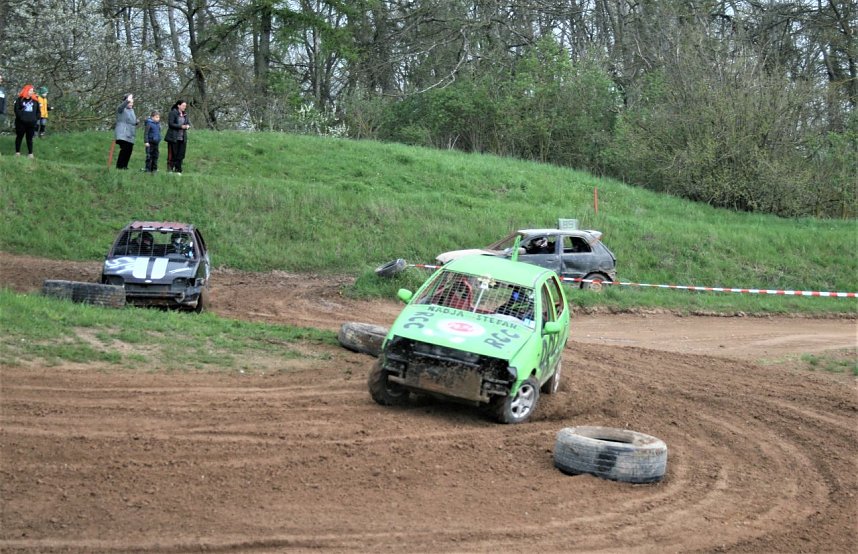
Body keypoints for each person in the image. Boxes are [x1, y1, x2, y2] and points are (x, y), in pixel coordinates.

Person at [14, 85, 41, 158]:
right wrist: (21, 117)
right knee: (19, 137)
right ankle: (17, 152)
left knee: (30, 138)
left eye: (32, 91)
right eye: (30, 90)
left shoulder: (35, 101)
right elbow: (16, 110)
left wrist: (35, 119)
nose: (32, 92)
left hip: (31, 123)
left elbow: (38, 111)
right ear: (26, 91)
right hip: (21, 123)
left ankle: (30, 153)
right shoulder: (19, 100)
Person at [165, 99, 190, 174]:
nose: (184, 107)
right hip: (173, 137)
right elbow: (171, 124)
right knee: (172, 154)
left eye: (185, 106)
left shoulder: (185, 114)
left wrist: (188, 126)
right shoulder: (173, 113)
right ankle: (170, 170)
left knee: (181, 155)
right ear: (178, 105)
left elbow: (188, 123)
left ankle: (178, 170)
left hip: (182, 138)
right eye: (183, 105)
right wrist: (181, 126)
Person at [114, 93, 138, 169]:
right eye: (130, 102)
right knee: (124, 149)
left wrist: (136, 121)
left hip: (130, 133)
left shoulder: (132, 110)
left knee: (129, 150)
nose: (131, 104)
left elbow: (131, 121)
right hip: (123, 133)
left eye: (132, 102)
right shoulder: (121, 109)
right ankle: (119, 166)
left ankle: (125, 166)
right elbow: (121, 107)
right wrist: (127, 100)